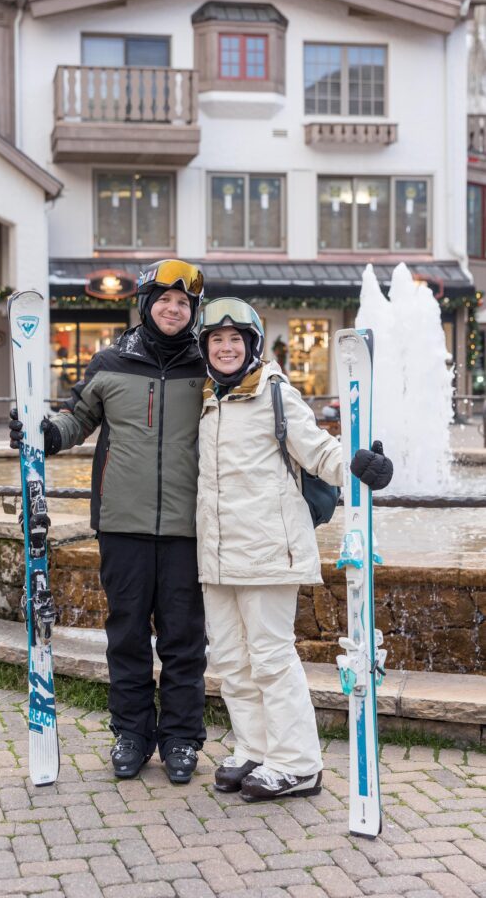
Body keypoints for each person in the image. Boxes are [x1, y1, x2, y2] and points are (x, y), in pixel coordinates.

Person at [10, 260, 207, 784]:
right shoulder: (111, 361)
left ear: (193, 311)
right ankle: (133, 734)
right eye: (164, 300)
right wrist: (43, 432)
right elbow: (77, 419)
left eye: (183, 303)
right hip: (123, 523)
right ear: (146, 305)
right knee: (126, 635)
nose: (173, 309)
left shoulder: (207, 368)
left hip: (191, 528)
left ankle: (183, 739)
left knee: (184, 639)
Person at [195, 298, 393, 802]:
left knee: (270, 658)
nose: (225, 347)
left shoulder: (274, 392)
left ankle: (298, 763)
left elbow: (318, 449)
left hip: (267, 548)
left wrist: (359, 464)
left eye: (235, 339)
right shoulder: (206, 399)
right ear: (206, 348)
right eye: (216, 340)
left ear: (252, 345)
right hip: (216, 554)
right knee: (233, 661)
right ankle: (255, 748)